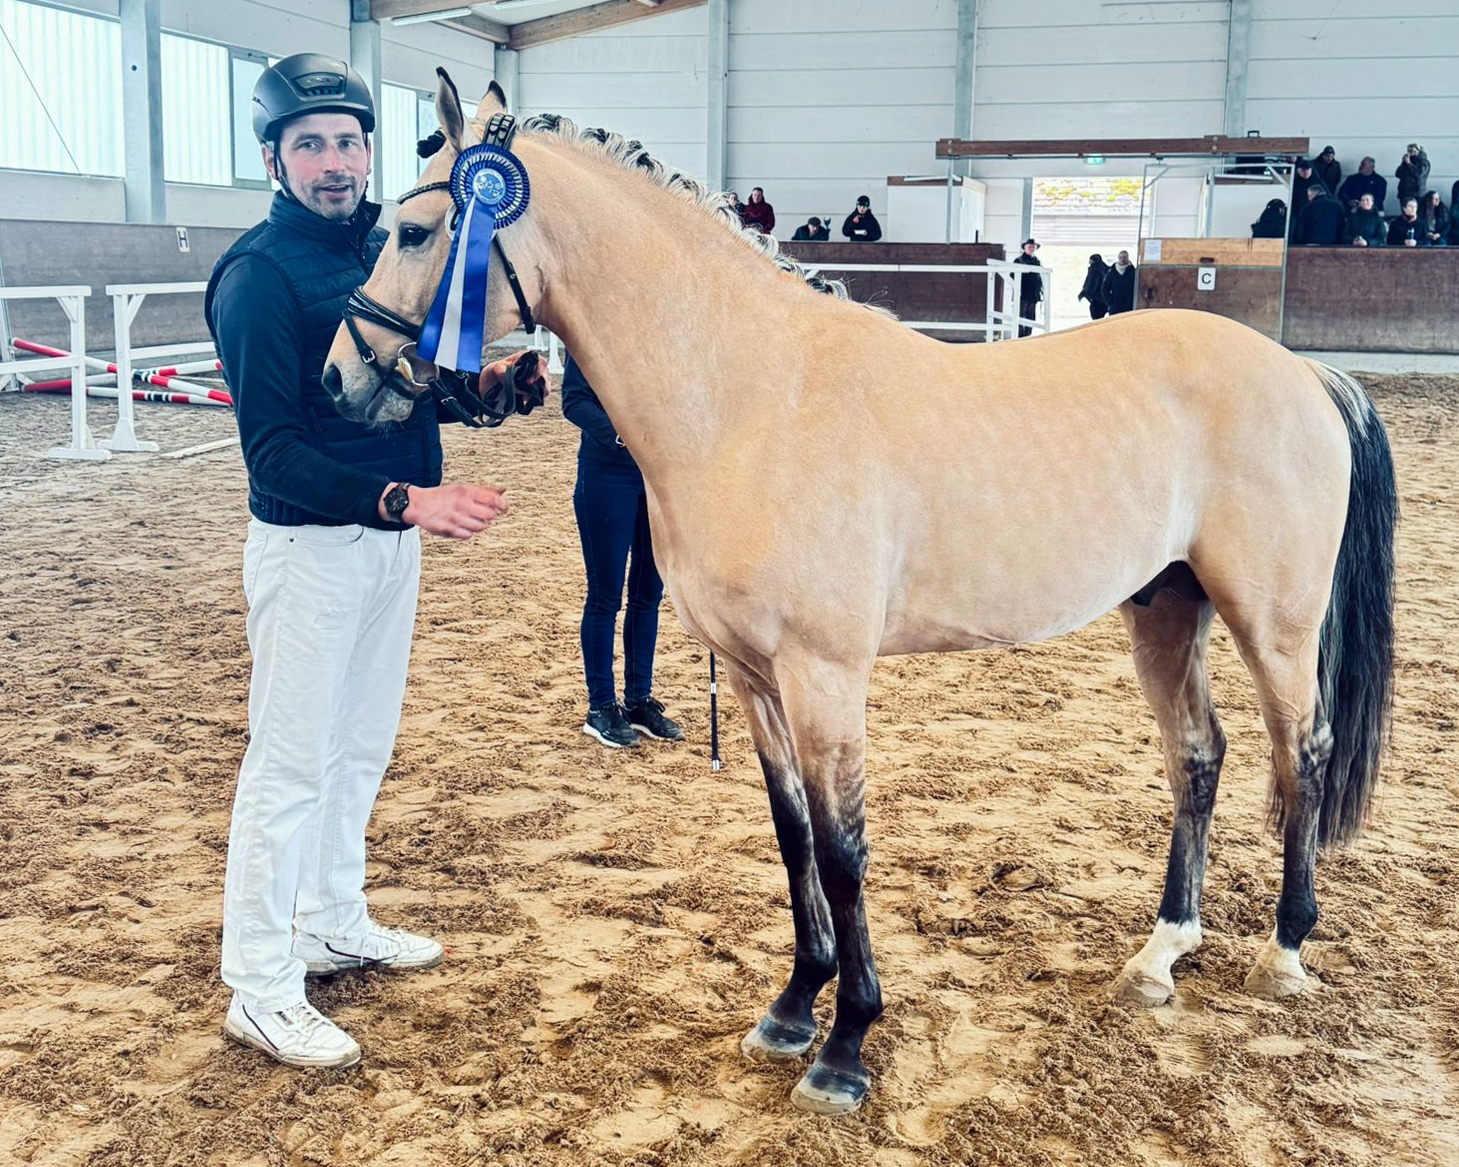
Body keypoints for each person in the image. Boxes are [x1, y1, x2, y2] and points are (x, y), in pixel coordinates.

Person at [205, 54, 548, 1071]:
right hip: (312, 549)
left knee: (356, 752)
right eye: (309, 144)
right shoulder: (260, 276)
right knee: (289, 769)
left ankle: (331, 918)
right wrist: (406, 499)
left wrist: (483, 391)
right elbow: (272, 450)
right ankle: (260, 984)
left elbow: (406, 384)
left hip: (392, 546)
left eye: (348, 140)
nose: (334, 161)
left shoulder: (383, 249)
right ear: (274, 158)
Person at [561, 357, 684, 750]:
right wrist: (620, 435)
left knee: (648, 594)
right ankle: (600, 707)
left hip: (658, 475)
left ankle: (638, 700)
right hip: (606, 474)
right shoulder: (592, 335)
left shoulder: (664, 340)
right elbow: (574, 401)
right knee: (605, 596)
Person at [1012, 238, 1043, 337]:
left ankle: (1028, 334)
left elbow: (1040, 277)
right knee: (1021, 314)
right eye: (1030, 247)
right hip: (1023, 292)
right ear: (1025, 248)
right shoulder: (1018, 261)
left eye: (1033, 247)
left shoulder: (1038, 261)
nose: (1032, 249)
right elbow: (1012, 275)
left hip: (1034, 293)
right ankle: (1021, 335)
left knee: (1031, 315)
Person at [1103, 249, 1137, 315]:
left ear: (1128, 258)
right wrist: (1109, 301)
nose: (1122, 259)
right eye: (1121, 257)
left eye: (1124, 257)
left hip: (1128, 306)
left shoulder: (1133, 271)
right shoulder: (1112, 272)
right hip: (1115, 306)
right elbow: (1105, 288)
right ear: (1118, 258)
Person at [1077, 252, 1109, 320]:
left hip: (1097, 300)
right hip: (1105, 299)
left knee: (1096, 320)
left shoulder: (1094, 270)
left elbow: (1092, 285)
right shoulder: (1107, 269)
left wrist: (1085, 293)